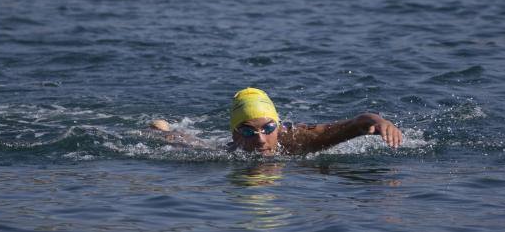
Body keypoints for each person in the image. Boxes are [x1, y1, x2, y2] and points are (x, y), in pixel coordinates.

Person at [149, 87, 402, 156]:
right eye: (248, 132)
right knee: (189, 143)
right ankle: (166, 128)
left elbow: (358, 122)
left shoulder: (299, 140)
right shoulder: (230, 151)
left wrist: (379, 121)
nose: (260, 138)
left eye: (268, 128)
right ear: (235, 134)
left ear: (278, 127)